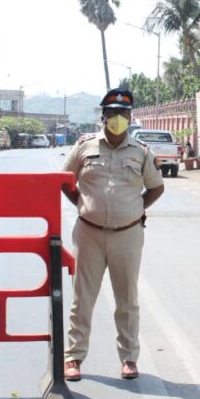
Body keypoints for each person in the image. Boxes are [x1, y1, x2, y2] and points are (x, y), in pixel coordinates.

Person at [61, 87, 164, 381]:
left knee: (127, 299)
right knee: (83, 297)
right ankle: (74, 358)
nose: (117, 118)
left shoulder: (141, 152)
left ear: (130, 118)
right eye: (112, 113)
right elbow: (65, 180)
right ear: (103, 117)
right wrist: (82, 204)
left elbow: (156, 187)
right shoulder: (84, 146)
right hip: (89, 233)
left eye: (123, 113)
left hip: (127, 234)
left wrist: (136, 209)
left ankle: (129, 358)